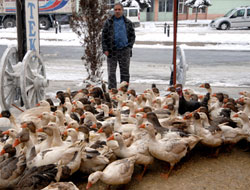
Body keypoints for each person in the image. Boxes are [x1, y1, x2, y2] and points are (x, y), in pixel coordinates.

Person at [102, 3, 136, 89]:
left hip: (124, 51)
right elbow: (104, 37)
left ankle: (123, 91)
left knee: (125, 73)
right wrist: (105, 49)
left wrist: (129, 47)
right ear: (114, 10)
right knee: (111, 73)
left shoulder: (128, 22)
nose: (117, 11)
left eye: (119, 9)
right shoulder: (108, 22)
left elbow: (132, 36)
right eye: (115, 9)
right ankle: (112, 91)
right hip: (111, 51)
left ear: (122, 10)